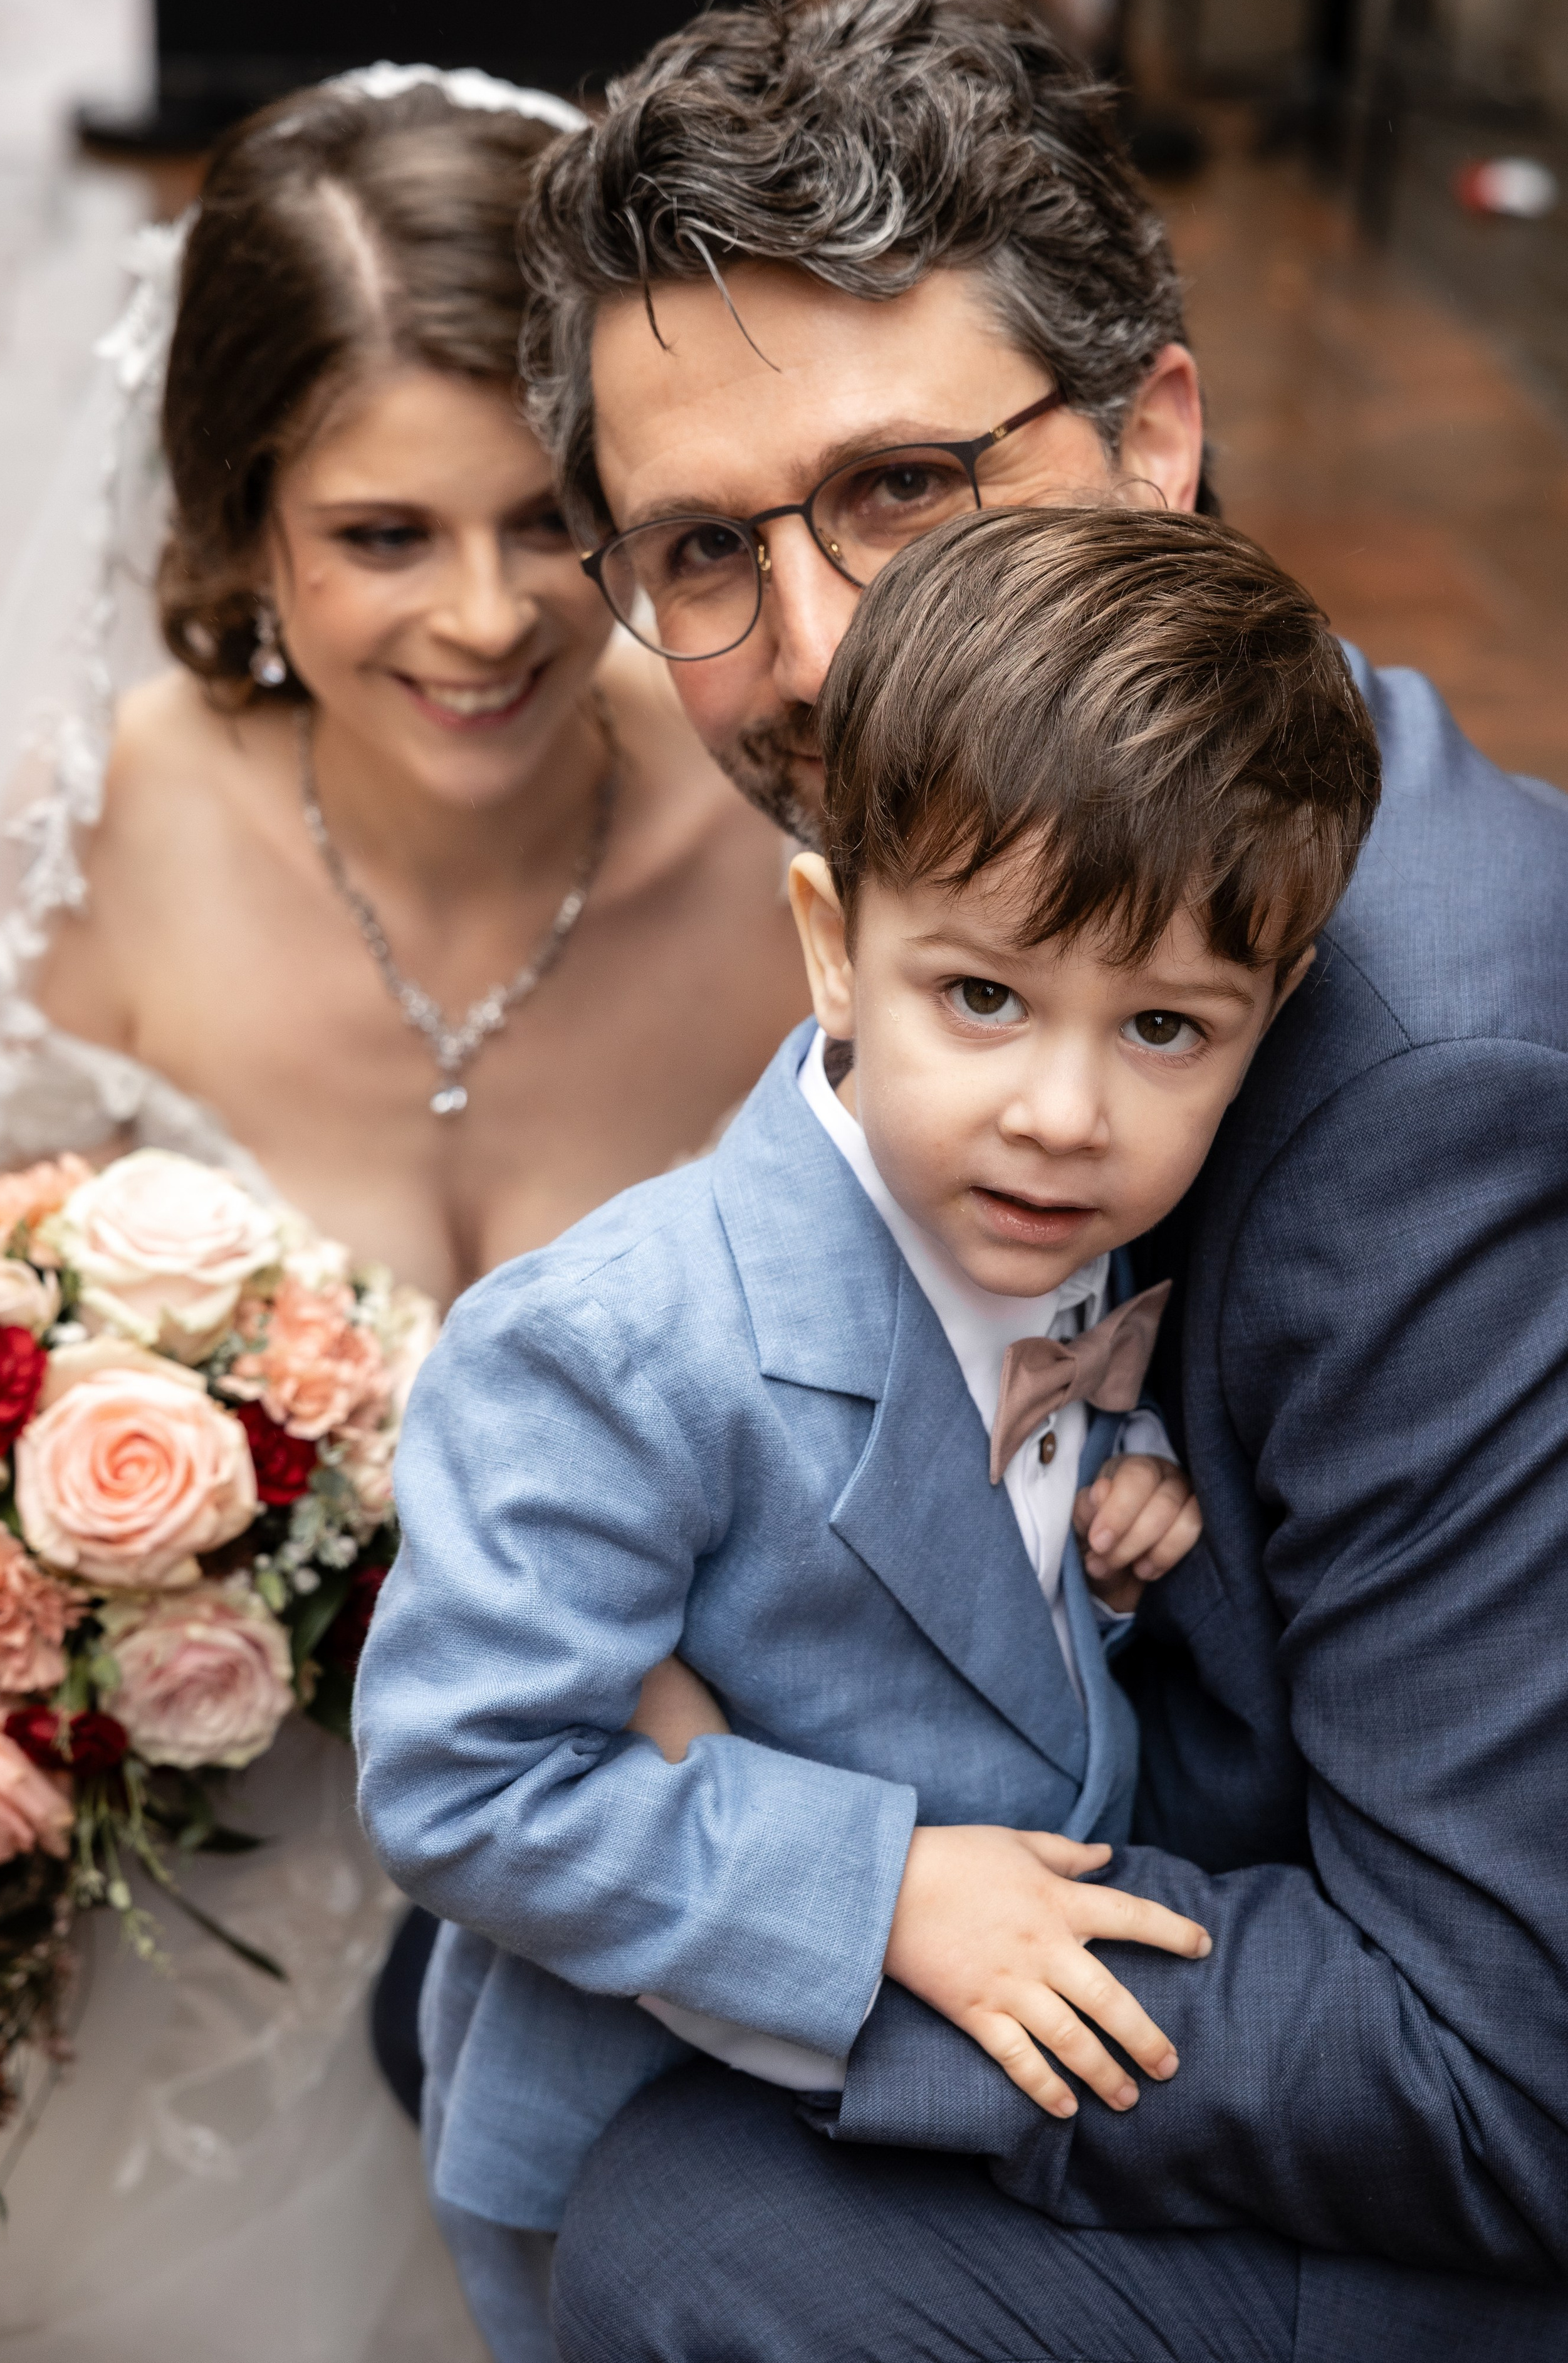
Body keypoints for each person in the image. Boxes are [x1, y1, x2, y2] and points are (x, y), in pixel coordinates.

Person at [514, 0, 1568, 2360]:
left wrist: (794, 1928)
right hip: (1193, 1803)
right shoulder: (1008, 881)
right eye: (699, 552)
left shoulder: (1430, 1096)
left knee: (680, 2227)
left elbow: (1506, 2067)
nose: (814, 653)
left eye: (903, 489)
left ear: (1156, 429)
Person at [0, 63, 807, 2363]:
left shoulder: (781, 859)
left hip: (689, 1839)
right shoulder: (97, 848)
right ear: (237, 535)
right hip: (219, 1897)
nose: (492, 619)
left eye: (557, 521)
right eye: (381, 536)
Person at [356, 500, 1382, 2357]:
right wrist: (880, 1888)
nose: (1063, 1113)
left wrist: (1117, 1535)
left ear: (1276, 1009)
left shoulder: (1098, 1236)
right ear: (834, 944)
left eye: (1167, 1029)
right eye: (980, 998)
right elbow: (463, 1779)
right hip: (646, 2132)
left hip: (957, 2126)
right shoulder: (614, 1350)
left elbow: (965, 1608)